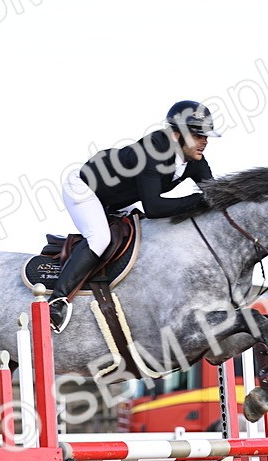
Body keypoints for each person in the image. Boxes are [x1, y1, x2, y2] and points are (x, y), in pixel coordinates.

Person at [49, 100, 221, 332]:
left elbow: (215, 196)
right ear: (175, 135)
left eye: (206, 135)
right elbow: (155, 208)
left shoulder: (195, 163)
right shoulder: (151, 152)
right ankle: (57, 301)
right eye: (197, 135)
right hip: (86, 189)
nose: (205, 141)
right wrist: (200, 201)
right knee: (100, 239)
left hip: (121, 199)